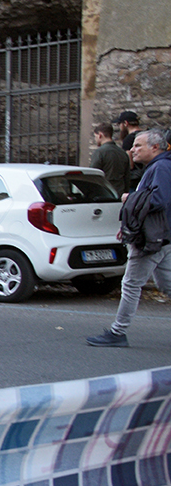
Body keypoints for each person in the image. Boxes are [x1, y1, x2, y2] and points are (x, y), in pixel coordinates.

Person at [88, 128, 171, 348]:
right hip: (159, 237)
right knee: (167, 283)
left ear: (155, 147)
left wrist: (129, 197)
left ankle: (117, 332)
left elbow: (159, 200)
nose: (132, 150)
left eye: (137, 146)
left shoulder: (161, 167)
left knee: (131, 284)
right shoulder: (159, 166)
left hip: (150, 239)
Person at [93, 123, 130, 194]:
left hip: (104, 192)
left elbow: (94, 175)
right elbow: (127, 177)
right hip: (119, 192)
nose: (95, 139)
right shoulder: (122, 153)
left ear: (100, 135)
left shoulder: (99, 152)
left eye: (95, 136)